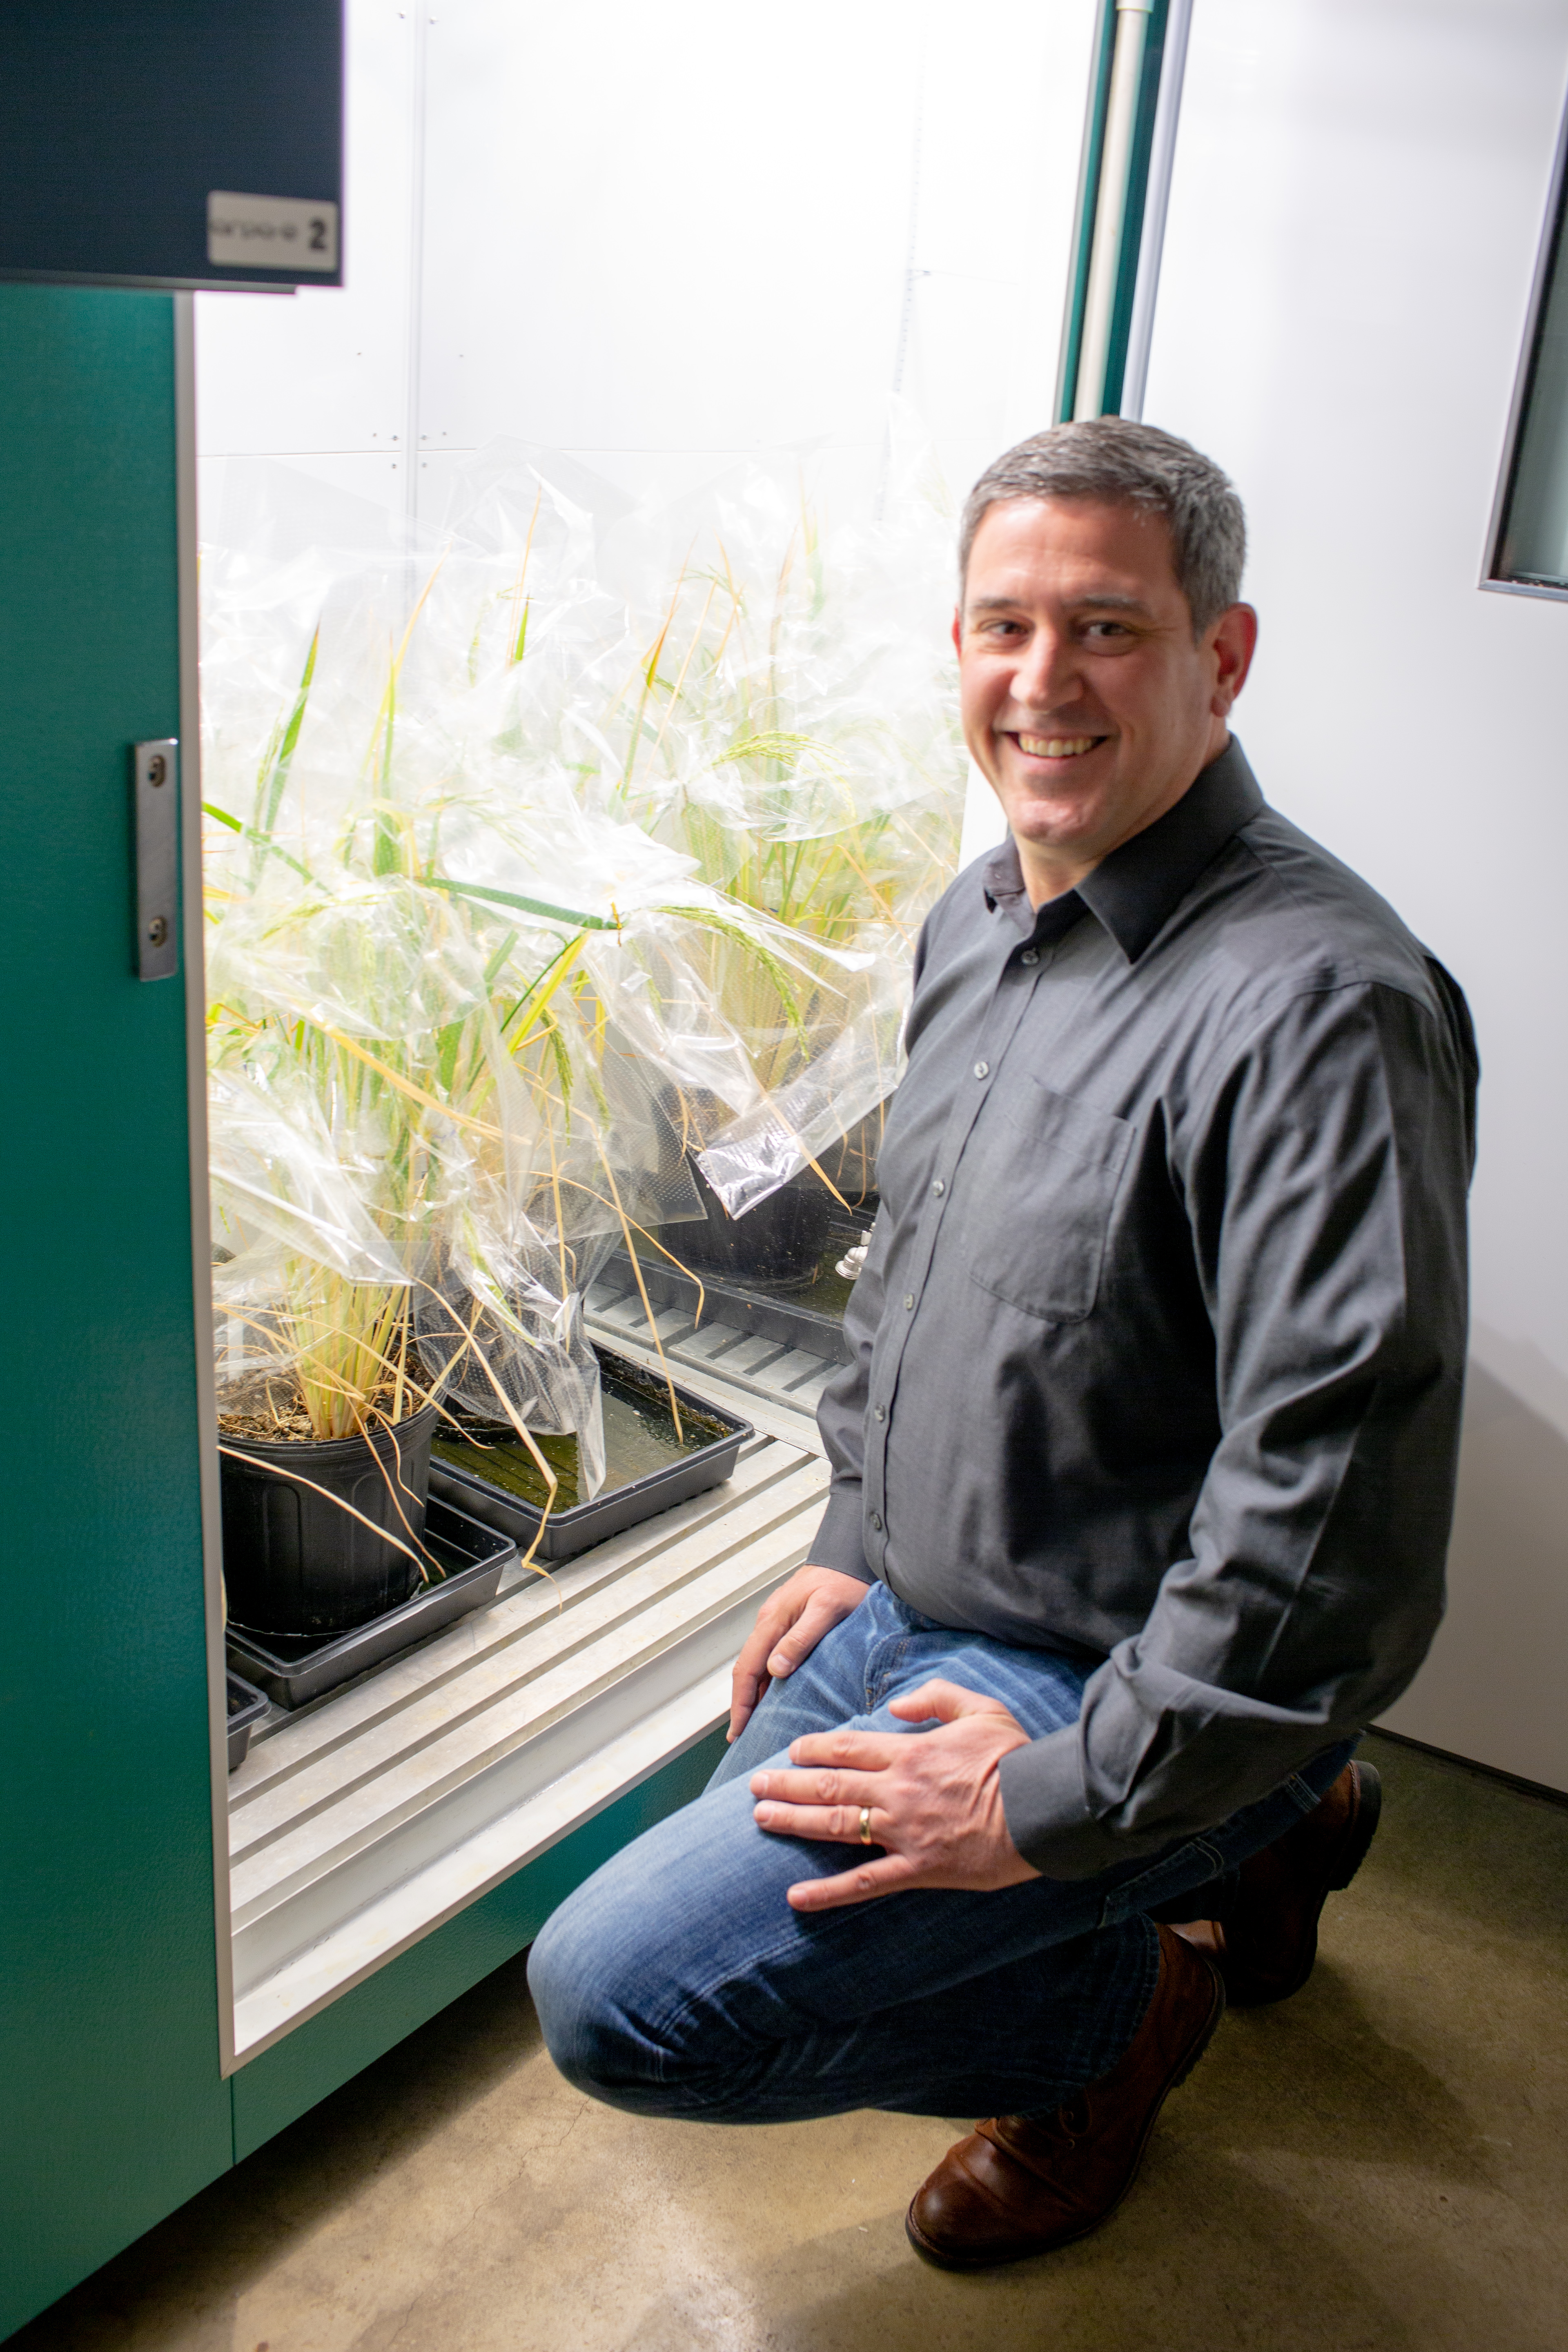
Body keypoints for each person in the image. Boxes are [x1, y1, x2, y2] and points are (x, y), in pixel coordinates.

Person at [528, 419, 1477, 2269]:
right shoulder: (984, 920)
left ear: (1222, 656)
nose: (1040, 683)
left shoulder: (1322, 1015)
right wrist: (853, 1534)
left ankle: (1125, 2013)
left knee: (625, 1997)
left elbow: (1330, 1521)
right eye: (1000, 627)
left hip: (1121, 1667)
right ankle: (1273, 1834)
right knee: (731, 1903)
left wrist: (1052, 1799)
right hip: (938, 1597)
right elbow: (914, 1275)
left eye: (1107, 629)